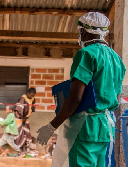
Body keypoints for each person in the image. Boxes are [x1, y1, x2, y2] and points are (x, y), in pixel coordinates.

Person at [36, 12, 126, 167]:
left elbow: (75, 98)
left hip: (85, 128)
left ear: (83, 31)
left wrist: (51, 127)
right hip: (106, 128)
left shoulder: (86, 54)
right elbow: (116, 100)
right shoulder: (117, 59)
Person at [13, 88, 36, 152]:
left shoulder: (33, 99)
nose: (31, 96)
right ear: (28, 93)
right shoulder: (23, 98)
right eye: (31, 95)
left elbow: (32, 109)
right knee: (19, 134)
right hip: (19, 119)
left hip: (25, 119)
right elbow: (19, 109)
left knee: (26, 133)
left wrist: (25, 118)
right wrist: (22, 118)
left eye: (33, 95)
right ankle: (18, 149)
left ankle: (25, 148)